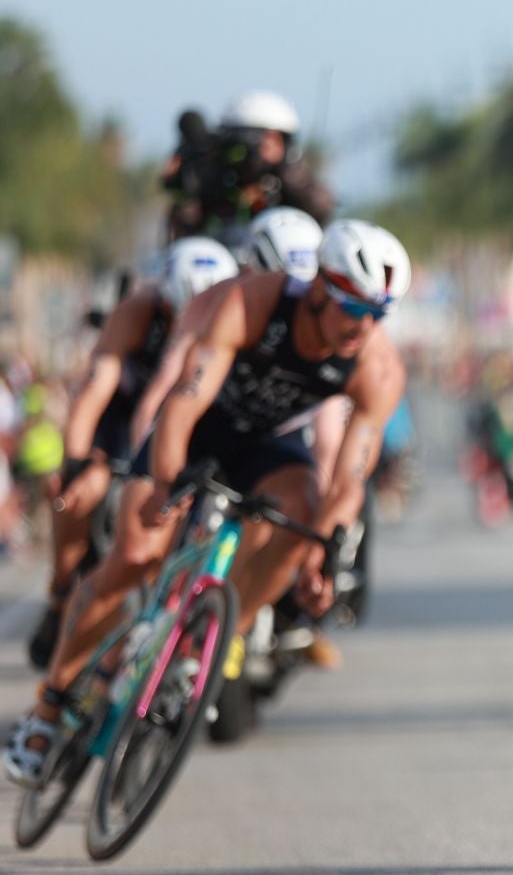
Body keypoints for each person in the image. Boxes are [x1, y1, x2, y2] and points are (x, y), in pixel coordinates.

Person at [4, 220, 412, 784]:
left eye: (377, 315)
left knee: (306, 511)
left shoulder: (378, 365)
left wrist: (328, 549)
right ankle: (48, 709)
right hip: (198, 426)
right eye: (353, 308)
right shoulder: (255, 303)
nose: (363, 327)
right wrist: (167, 483)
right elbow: (184, 401)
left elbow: (350, 477)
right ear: (319, 288)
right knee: (133, 559)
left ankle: (217, 639)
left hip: (269, 445)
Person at [26, 238, 241, 669]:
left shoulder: (230, 325)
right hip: (120, 424)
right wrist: (78, 461)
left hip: (182, 428)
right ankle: (62, 589)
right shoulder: (137, 313)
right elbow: (94, 391)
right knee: (73, 492)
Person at [163, 91, 335, 246]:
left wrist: (284, 172)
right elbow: (183, 231)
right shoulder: (216, 182)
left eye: (271, 139)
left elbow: (321, 208)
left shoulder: (293, 184)